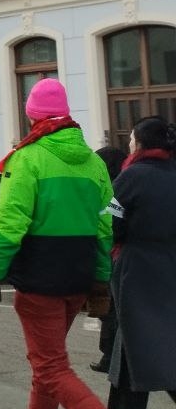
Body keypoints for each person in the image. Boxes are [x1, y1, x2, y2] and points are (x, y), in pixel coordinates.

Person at [0, 78, 154, 409]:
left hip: (38, 279)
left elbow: (11, 223)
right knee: (49, 363)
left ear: (32, 116)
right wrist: (98, 280)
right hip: (76, 280)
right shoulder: (95, 164)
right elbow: (104, 226)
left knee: (52, 368)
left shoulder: (28, 159)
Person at [105, 117, 176, 409]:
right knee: (165, 347)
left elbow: (108, 224)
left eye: (132, 139)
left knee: (133, 353)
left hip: (137, 272)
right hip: (169, 268)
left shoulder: (131, 177)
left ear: (142, 144)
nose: (130, 145)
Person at [90, 145, 127, 373]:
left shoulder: (112, 192)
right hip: (120, 255)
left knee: (111, 310)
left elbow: (113, 223)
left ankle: (109, 357)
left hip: (113, 255)